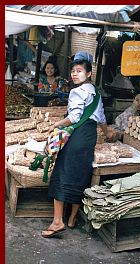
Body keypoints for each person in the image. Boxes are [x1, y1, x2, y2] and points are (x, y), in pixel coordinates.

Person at [41, 51, 111, 238]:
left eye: (79, 71)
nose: (74, 74)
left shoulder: (76, 91)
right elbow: (101, 118)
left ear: (88, 74)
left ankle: (57, 222)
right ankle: (72, 218)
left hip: (77, 135)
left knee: (62, 174)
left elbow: (73, 117)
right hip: (89, 136)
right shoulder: (95, 92)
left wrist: (57, 124)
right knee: (80, 175)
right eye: (73, 71)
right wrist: (108, 133)